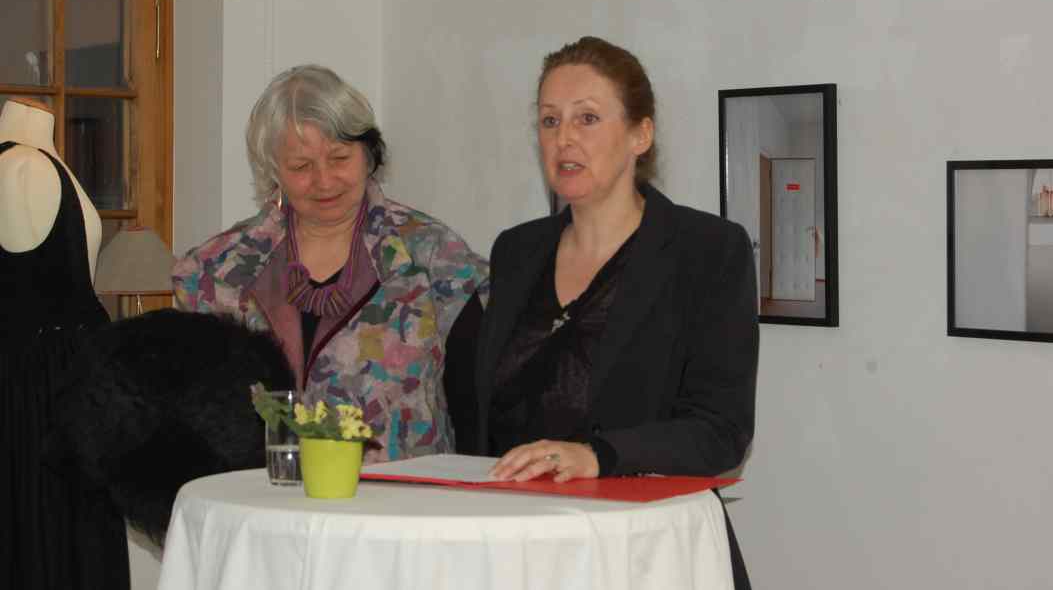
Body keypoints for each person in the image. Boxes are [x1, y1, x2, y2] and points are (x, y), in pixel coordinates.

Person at [469, 37, 758, 586]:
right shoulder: (516, 250)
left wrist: (597, 455)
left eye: (587, 118)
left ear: (639, 135)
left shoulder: (707, 250)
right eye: (550, 120)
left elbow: (721, 431)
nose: (564, 138)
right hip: (518, 548)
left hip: (643, 551)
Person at [173, 65, 487, 463]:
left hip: (402, 497)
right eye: (301, 167)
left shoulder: (435, 258)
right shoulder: (215, 272)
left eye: (339, 157)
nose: (324, 181)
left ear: (369, 154)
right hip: (263, 495)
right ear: (273, 172)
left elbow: (477, 412)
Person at [0, 98, 129, 589]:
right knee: (52, 533)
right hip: (44, 389)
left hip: (54, 382)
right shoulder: (23, 167)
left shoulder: (37, 162)